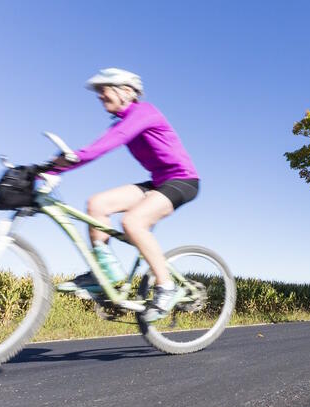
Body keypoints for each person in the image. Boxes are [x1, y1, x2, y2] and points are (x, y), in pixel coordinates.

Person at [54, 68, 200, 322]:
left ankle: (166, 287)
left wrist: (61, 164)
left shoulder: (144, 112)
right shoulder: (122, 121)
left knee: (133, 222)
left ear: (126, 91)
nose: (100, 96)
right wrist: (46, 168)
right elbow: (108, 140)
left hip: (183, 180)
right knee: (97, 204)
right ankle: (103, 274)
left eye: (105, 89)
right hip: (157, 182)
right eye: (99, 92)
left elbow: (106, 144)